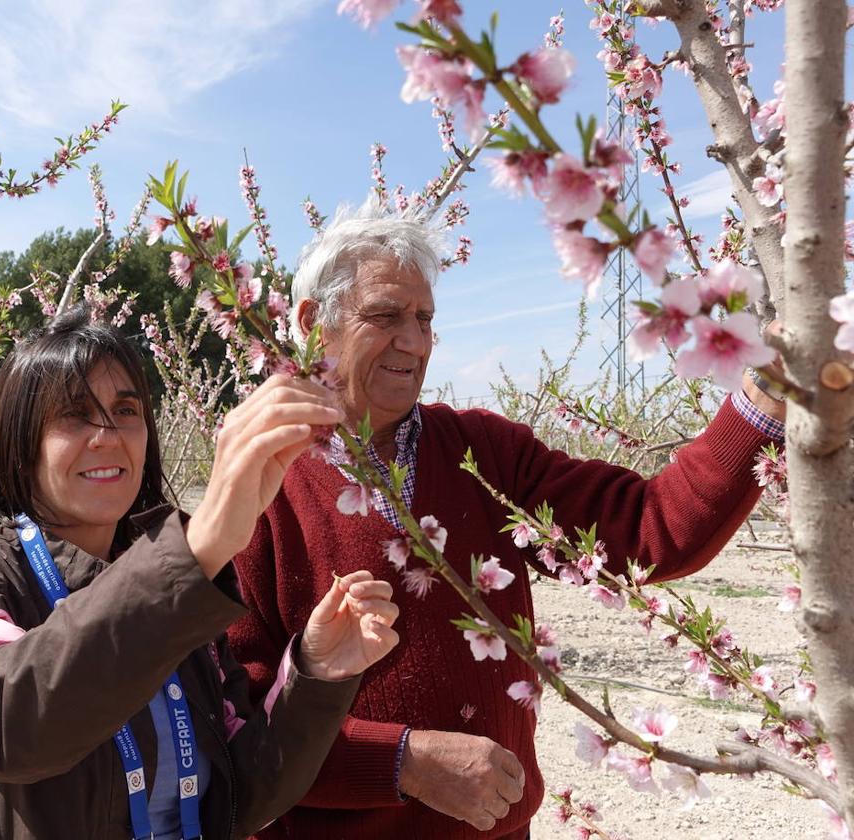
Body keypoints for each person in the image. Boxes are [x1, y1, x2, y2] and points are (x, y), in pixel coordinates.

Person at [227, 199, 788, 840]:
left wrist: (764, 396)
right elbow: (239, 722)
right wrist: (401, 761)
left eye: (425, 319)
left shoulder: (483, 454)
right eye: (385, 317)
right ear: (312, 323)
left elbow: (648, 529)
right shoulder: (261, 482)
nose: (413, 341)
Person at [0, 306, 401, 840]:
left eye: (125, 411)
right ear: (22, 444)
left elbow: (241, 795)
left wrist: (316, 674)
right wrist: (196, 548)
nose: (107, 436)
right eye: (74, 415)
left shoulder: (181, 604)